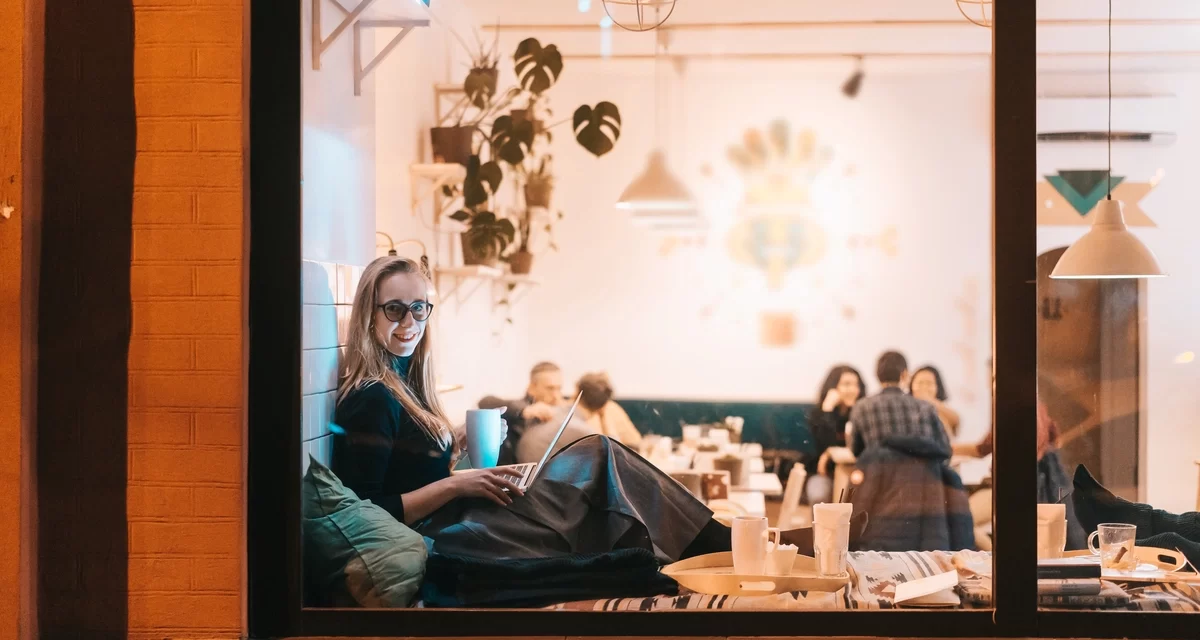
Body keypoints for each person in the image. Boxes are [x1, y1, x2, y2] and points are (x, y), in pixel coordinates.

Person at [330, 256, 831, 565]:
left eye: (419, 308)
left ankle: (725, 549)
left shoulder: (402, 387)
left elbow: (409, 468)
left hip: (461, 519)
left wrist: (455, 445)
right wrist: (457, 482)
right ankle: (732, 546)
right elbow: (369, 512)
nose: (409, 321)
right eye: (394, 308)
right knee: (597, 458)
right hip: (448, 539)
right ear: (368, 313)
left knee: (600, 474)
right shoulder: (370, 397)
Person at [848, 351, 973, 551]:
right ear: (905, 375)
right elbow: (943, 448)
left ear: (877, 375)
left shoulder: (862, 407)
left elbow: (857, 451)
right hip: (925, 492)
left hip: (879, 489)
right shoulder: (925, 407)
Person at [805, 365, 866, 504]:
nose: (853, 390)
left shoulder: (862, 414)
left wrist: (829, 453)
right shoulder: (818, 414)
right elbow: (821, 446)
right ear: (832, 388)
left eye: (856, 385)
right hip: (825, 474)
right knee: (818, 495)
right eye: (846, 384)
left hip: (855, 473)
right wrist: (827, 409)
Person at [576, 372, 643, 447]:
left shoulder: (612, 409)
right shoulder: (584, 428)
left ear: (577, 391)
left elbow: (635, 442)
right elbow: (617, 449)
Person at [909, 365, 961, 437]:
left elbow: (956, 421)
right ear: (911, 385)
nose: (924, 387)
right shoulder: (904, 408)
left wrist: (930, 401)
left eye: (929, 383)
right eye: (920, 383)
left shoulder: (943, 411)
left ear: (937, 387)